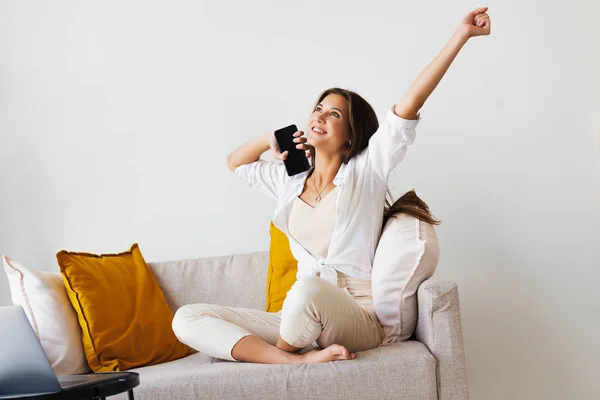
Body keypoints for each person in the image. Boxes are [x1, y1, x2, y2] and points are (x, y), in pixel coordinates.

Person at [172, 7, 491, 364]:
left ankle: (284, 351)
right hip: (300, 315)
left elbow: (408, 106)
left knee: (307, 290)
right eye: (319, 108)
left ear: (351, 135)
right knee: (187, 317)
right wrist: (270, 140)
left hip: (356, 316)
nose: (320, 116)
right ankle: (293, 360)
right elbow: (235, 163)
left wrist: (460, 36)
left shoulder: (366, 171)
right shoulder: (289, 181)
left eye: (334, 114)